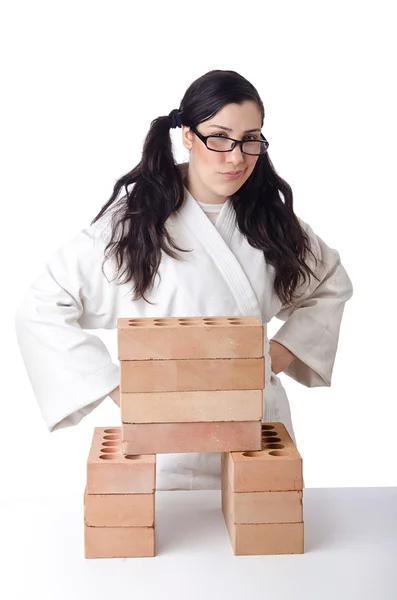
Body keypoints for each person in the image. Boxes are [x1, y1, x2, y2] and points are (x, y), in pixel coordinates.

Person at [14, 69, 353, 491]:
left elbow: (331, 283)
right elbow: (42, 306)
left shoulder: (272, 222)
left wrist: (280, 353)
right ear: (188, 136)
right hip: (166, 448)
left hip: (259, 438)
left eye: (251, 139)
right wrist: (120, 387)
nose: (236, 156)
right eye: (219, 137)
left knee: (268, 543)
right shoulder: (135, 223)